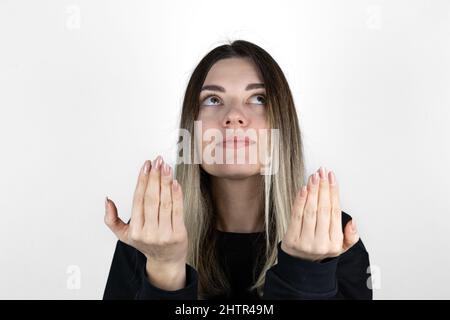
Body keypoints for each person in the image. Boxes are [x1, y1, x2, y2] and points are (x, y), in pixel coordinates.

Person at [103, 40, 372, 300]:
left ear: (283, 125)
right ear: (191, 127)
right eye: (212, 100)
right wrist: (164, 268)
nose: (233, 115)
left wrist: (305, 271)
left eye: (258, 98)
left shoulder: (331, 235)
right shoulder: (149, 233)